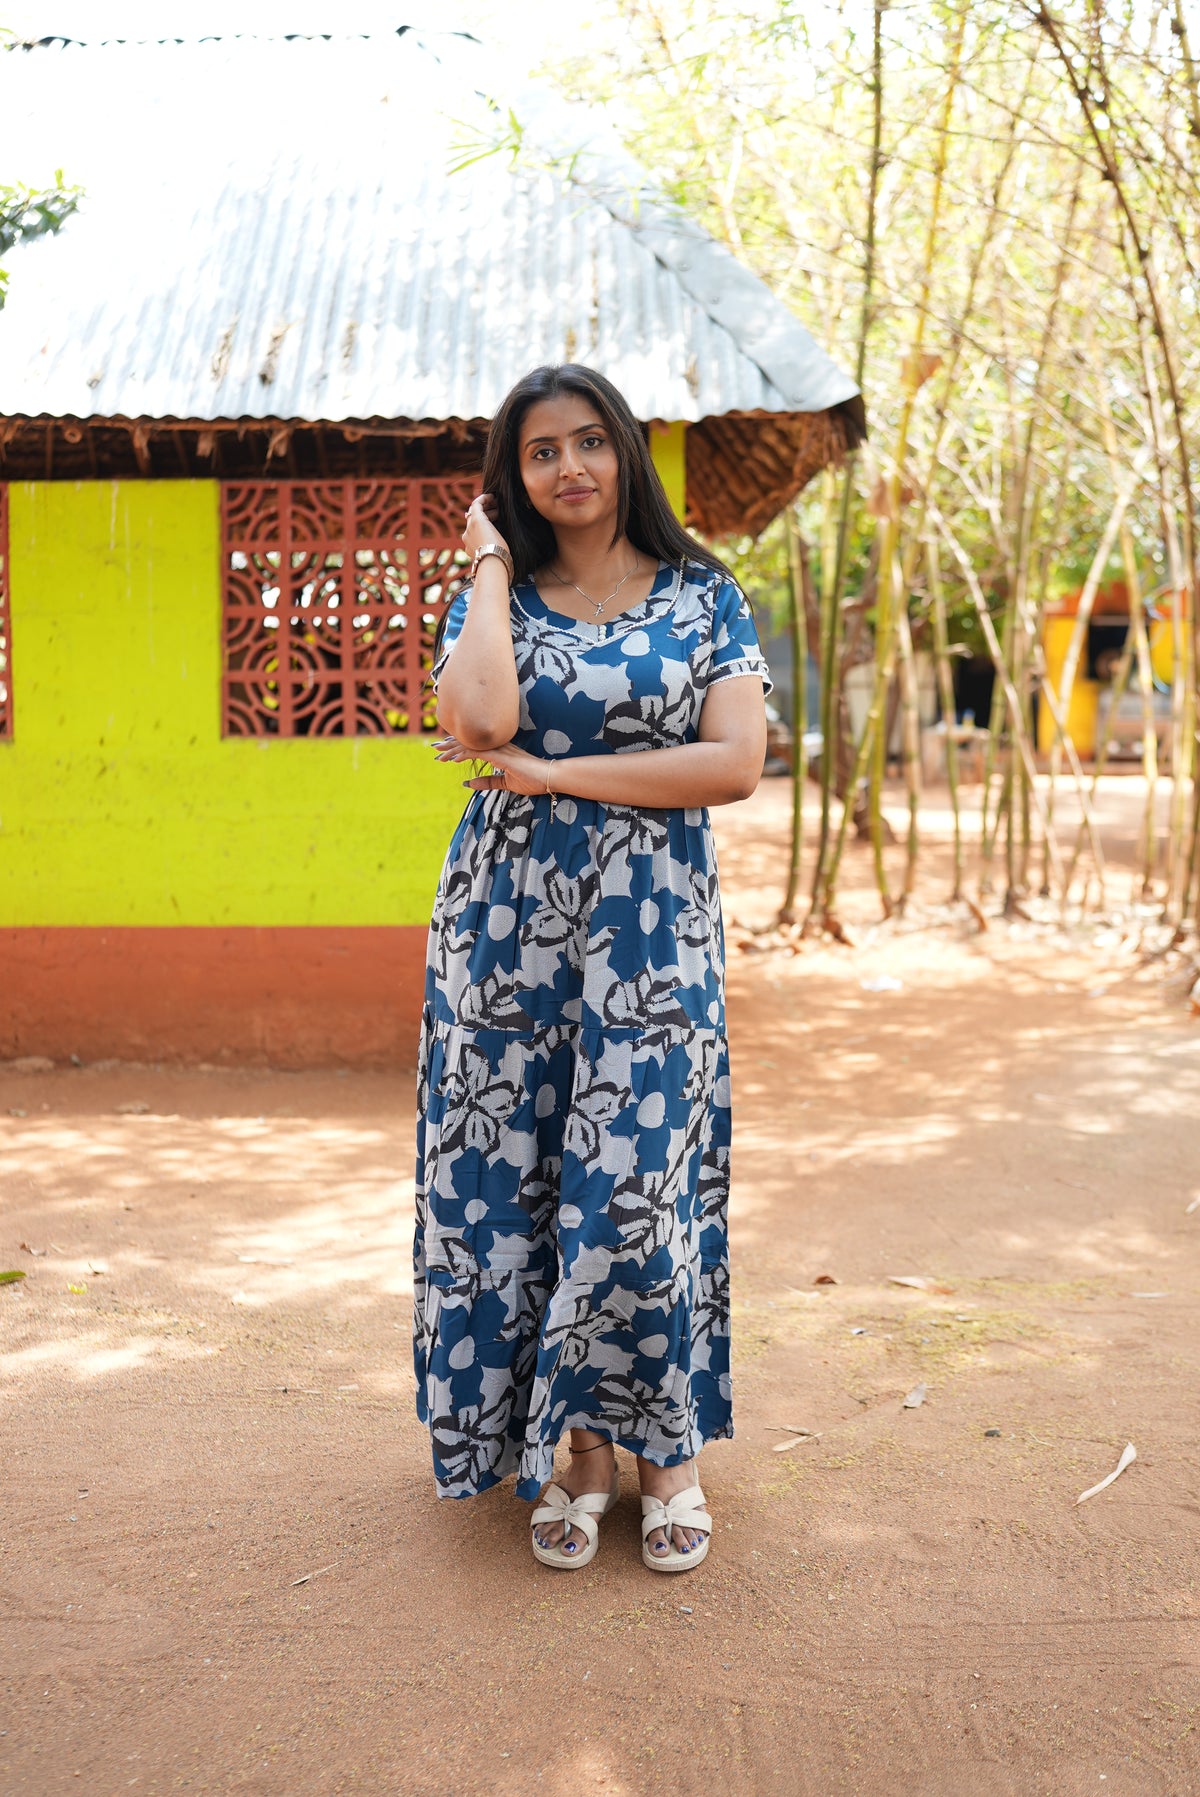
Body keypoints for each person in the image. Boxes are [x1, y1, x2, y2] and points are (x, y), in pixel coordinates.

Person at [413, 363, 770, 1572]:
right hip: (505, 937)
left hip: (652, 934)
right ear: (512, 478)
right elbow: (478, 724)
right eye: (540, 453)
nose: (568, 468)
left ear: (624, 451)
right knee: (513, 1189)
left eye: (587, 442)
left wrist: (562, 776)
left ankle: (668, 1453)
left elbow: (732, 764)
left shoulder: (706, 596)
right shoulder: (495, 600)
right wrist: (488, 565)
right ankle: (577, 1453)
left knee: (635, 1194)